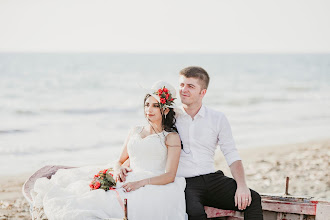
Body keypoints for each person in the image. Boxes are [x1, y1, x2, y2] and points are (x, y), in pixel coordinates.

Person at [31, 81, 186, 220]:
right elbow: (119, 160)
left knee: (111, 205)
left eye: (155, 105)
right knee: (89, 197)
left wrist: (140, 183)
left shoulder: (170, 137)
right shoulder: (135, 131)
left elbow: (170, 175)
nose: (149, 110)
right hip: (128, 177)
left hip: (152, 183)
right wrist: (119, 169)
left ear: (165, 110)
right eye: (147, 105)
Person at [175, 66, 263, 220]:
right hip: (185, 183)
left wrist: (242, 186)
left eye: (190, 86)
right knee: (195, 214)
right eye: (181, 85)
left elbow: (231, 153)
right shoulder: (171, 117)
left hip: (212, 179)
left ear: (203, 92)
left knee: (252, 199)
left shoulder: (217, 118)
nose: (183, 90)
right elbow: (151, 142)